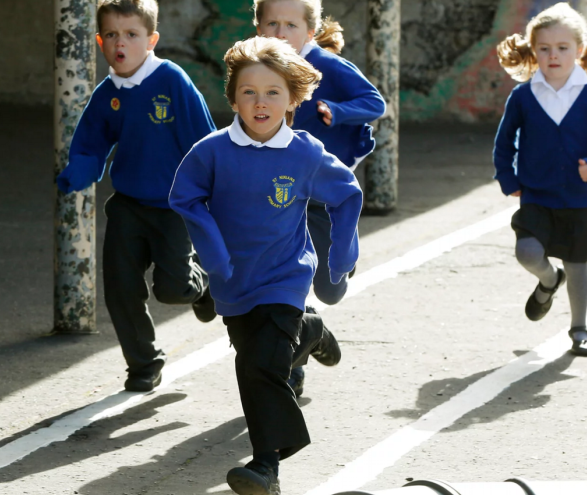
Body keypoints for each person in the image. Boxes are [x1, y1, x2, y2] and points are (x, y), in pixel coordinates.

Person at [169, 36, 362, 495]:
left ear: (293, 98)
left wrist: (342, 251)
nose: (260, 102)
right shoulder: (212, 151)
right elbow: (184, 195)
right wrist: (211, 251)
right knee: (258, 359)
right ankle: (311, 332)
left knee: (257, 367)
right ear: (233, 97)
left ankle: (265, 467)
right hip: (233, 284)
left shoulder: (304, 153)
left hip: (285, 277)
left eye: (273, 92)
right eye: (249, 91)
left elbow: (347, 193)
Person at [56, 0, 217, 392]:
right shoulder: (108, 92)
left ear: (151, 40)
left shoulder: (172, 81)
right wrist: (82, 167)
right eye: (111, 35)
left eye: (131, 34)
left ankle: (204, 285)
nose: (120, 43)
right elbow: (92, 141)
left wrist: (215, 192)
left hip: (174, 207)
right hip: (128, 205)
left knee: (172, 289)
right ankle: (144, 362)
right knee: (120, 290)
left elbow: (205, 139)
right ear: (99, 42)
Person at [253, 0, 385, 396]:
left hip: (325, 196)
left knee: (330, 288)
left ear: (309, 32)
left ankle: (346, 260)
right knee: (284, 283)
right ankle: (292, 366)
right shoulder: (255, 66)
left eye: (290, 25)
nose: (279, 33)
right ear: (258, 28)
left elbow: (375, 103)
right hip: (279, 195)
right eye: (271, 24)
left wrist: (337, 110)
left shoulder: (327, 65)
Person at [493, 2, 587, 357]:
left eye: (563, 48)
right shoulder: (523, 96)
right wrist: (507, 177)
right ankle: (549, 281)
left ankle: (580, 328)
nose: (553, 56)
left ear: (579, 50)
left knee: (577, 263)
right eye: (544, 49)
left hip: (581, 198)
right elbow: (504, 144)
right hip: (537, 195)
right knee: (527, 250)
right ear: (534, 51)